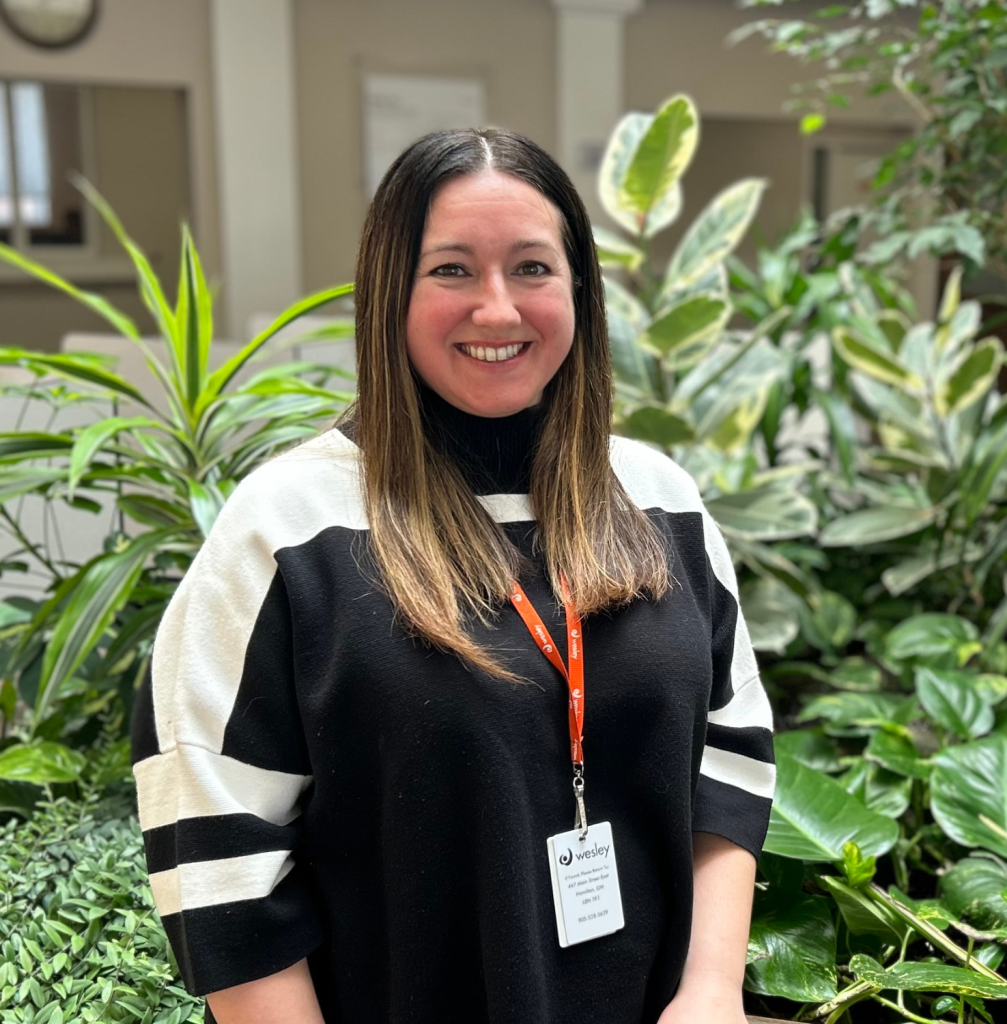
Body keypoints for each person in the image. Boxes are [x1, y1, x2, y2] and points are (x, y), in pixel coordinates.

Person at [130, 127, 776, 1024]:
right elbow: (217, 848)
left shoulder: (659, 500)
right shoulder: (286, 527)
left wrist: (710, 991)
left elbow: (731, 756)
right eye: (452, 271)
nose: (498, 309)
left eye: (533, 268)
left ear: (580, 289)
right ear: (389, 290)